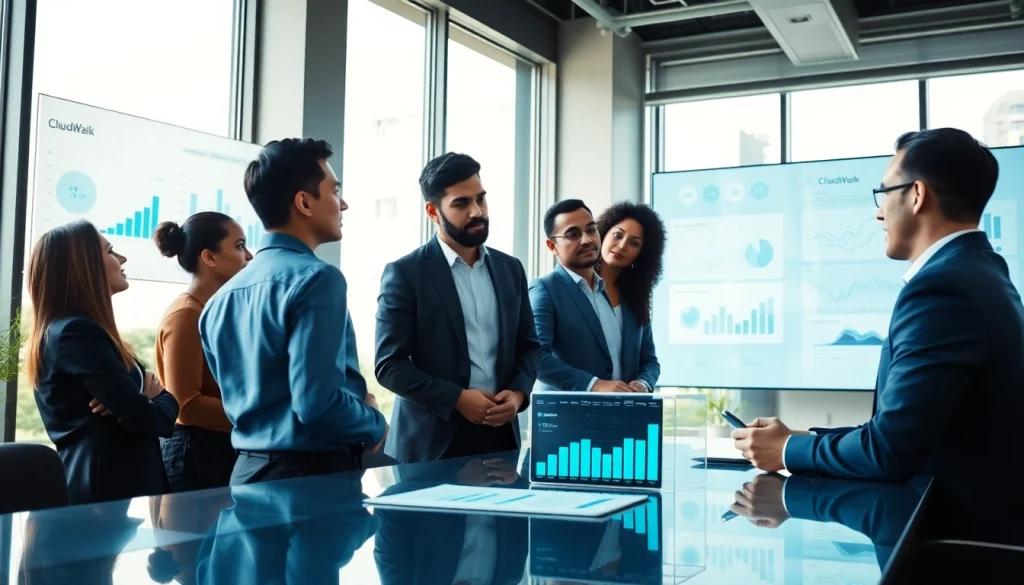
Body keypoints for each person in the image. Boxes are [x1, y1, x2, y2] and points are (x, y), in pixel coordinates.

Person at [733, 128, 1024, 485]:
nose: (878, 214)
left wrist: (786, 450)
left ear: (917, 195)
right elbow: (906, 430)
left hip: (949, 527)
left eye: (884, 193)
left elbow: (889, 451)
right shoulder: (981, 271)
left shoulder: (942, 289)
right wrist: (796, 438)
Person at [199, 138, 387, 485]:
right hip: (310, 480)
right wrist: (374, 419)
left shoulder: (218, 301)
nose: (342, 204)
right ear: (304, 202)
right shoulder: (318, 279)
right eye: (334, 191)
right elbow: (317, 404)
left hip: (246, 473)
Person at [375, 152, 541, 463]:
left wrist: (518, 394)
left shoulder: (510, 269)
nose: (477, 211)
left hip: (501, 438)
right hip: (431, 443)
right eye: (461, 204)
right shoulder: (405, 273)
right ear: (433, 211)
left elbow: (530, 346)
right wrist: (457, 399)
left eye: (481, 199)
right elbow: (390, 365)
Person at [25, 220, 178, 504]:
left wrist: (142, 400)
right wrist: (153, 398)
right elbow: (147, 419)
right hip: (109, 497)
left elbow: (141, 411)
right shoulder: (77, 334)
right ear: (83, 266)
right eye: (110, 251)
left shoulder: (69, 331)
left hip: (110, 495)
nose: (122, 259)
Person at [152, 212, 252, 492]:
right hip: (195, 454)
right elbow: (186, 406)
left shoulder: (216, 312)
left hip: (219, 448)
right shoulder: (186, 315)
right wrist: (258, 412)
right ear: (209, 257)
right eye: (240, 246)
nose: (250, 257)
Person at [530, 199, 661, 393]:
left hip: (623, 412)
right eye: (573, 234)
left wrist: (642, 383)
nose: (587, 240)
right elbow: (536, 357)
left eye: (591, 230)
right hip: (569, 414)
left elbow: (649, 361)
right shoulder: (544, 288)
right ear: (552, 246)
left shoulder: (615, 292)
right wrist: (594, 384)